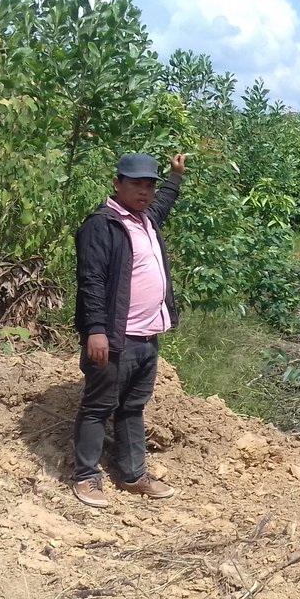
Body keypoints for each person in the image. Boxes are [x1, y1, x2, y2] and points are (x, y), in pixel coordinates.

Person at [70, 152, 187, 507]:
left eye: (149, 185)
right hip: (115, 339)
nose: (146, 192)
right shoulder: (102, 225)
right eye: (136, 184)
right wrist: (96, 330)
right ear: (117, 184)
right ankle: (86, 478)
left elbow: (163, 204)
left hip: (148, 338)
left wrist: (175, 177)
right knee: (98, 406)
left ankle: (134, 476)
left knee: (133, 408)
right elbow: (91, 281)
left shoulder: (146, 219)